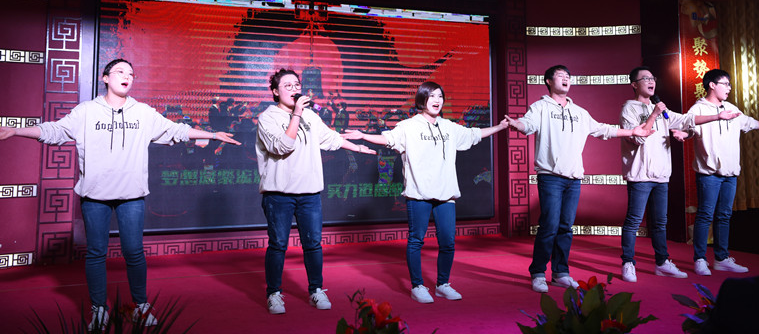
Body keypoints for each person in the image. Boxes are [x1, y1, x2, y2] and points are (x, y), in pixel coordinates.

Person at [0, 59, 241, 330]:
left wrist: (212, 135)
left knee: (134, 252)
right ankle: (99, 309)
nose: (127, 77)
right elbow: (55, 130)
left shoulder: (143, 112)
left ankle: (140, 306)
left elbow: (176, 130)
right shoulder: (87, 111)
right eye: (120, 72)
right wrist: (16, 130)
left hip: (131, 196)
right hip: (95, 196)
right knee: (96, 253)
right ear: (105, 78)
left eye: (131, 74)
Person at [342, 81, 509, 304]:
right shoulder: (408, 126)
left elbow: (474, 134)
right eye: (432, 96)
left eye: (440, 96)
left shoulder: (449, 127)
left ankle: (442, 284)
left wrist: (500, 127)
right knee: (416, 240)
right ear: (422, 99)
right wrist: (363, 135)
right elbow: (388, 139)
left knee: (448, 242)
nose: (437, 100)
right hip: (418, 193)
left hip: (446, 194)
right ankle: (417, 286)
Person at [504, 65, 655, 293]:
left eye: (568, 76)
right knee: (549, 226)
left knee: (566, 227)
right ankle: (538, 273)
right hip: (550, 177)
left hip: (574, 179)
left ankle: (560, 273)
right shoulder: (540, 107)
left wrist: (632, 132)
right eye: (560, 76)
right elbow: (528, 124)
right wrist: (518, 125)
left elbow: (602, 130)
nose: (566, 79)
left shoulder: (580, 112)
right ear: (548, 81)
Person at [256, 69, 376, 315]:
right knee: (278, 244)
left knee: (313, 244)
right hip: (278, 194)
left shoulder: (311, 116)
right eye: (287, 85)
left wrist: (357, 148)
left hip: (309, 194)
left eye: (296, 84)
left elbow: (331, 138)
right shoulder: (267, 118)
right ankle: (274, 294)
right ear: (275, 91)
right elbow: (282, 146)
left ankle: (316, 290)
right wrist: (297, 114)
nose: (294, 89)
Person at [619, 67, 739, 283]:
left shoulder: (661, 109)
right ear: (634, 84)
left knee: (660, 222)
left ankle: (662, 262)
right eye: (645, 78)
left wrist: (717, 116)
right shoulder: (629, 108)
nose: (651, 81)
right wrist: (654, 114)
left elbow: (686, 120)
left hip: (661, 174)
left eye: (652, 77)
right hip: (640, 175)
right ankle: (628, 262)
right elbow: (637, 138)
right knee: (634, 220)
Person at [686, 69, 759, 276]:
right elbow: (688, 127)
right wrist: (681, 133)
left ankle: (721, 258)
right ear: (712, 85)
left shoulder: (731, 108)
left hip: (730, 174)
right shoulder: (698, 109)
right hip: (709, 173)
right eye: (725, 84)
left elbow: (749, 123)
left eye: (729, 84)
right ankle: (700, 259)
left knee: (724, 215)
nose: (729, 88)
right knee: (705, 215)